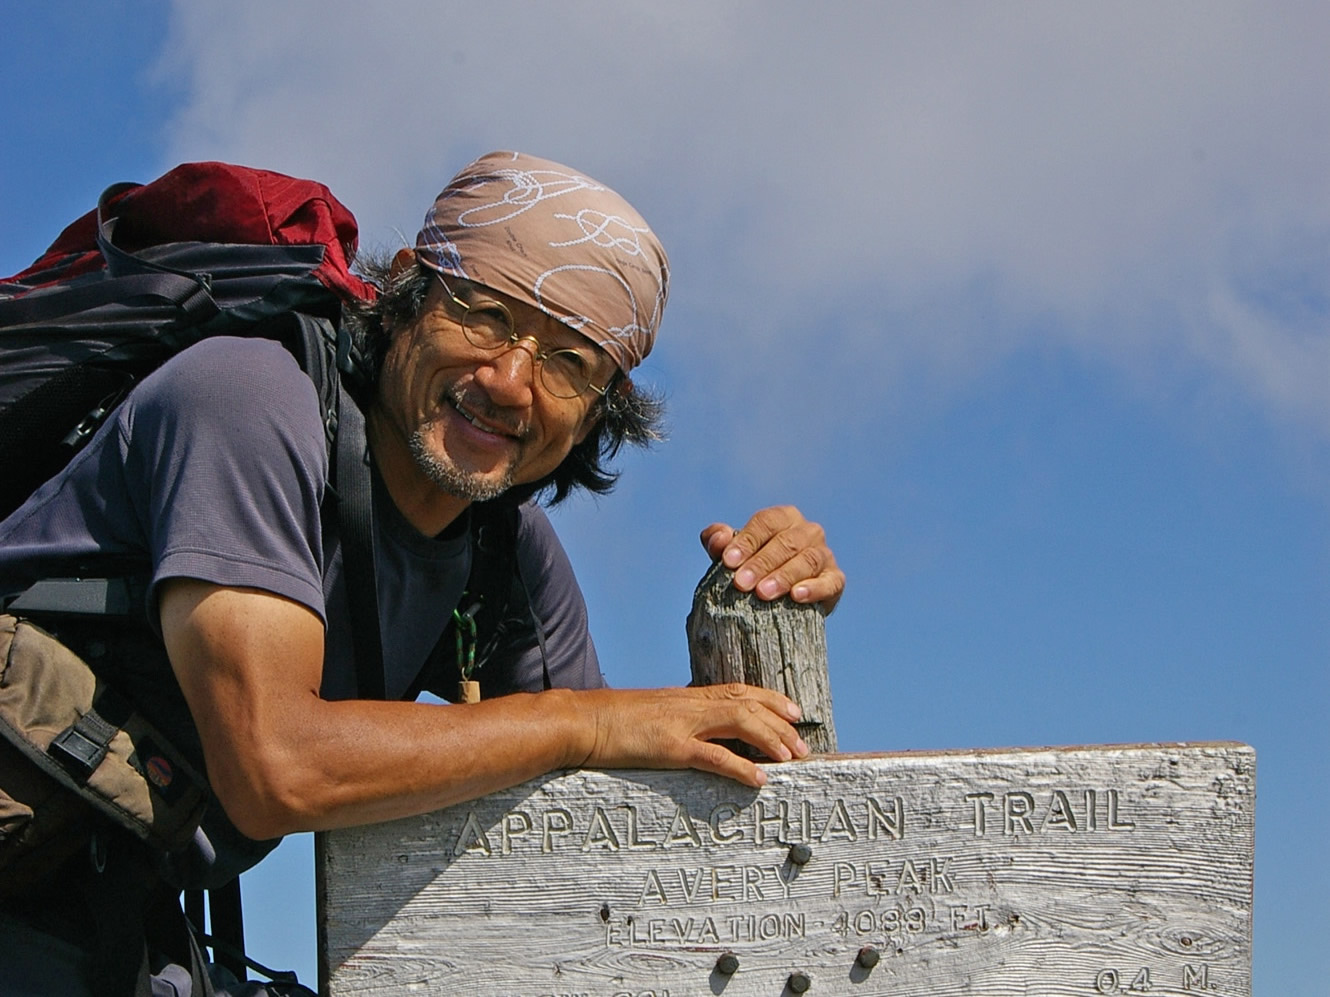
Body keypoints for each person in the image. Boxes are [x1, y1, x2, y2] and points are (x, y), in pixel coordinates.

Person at [0, 151, 843, 991]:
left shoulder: (506, 554)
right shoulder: (246, 397)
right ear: (406, 290)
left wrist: (765, 588)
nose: (510, 382)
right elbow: (275, 765)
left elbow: (611, 795)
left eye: (568, 362)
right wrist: (582, 721)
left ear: (598, 411)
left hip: (111, 911)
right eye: (483, 315)